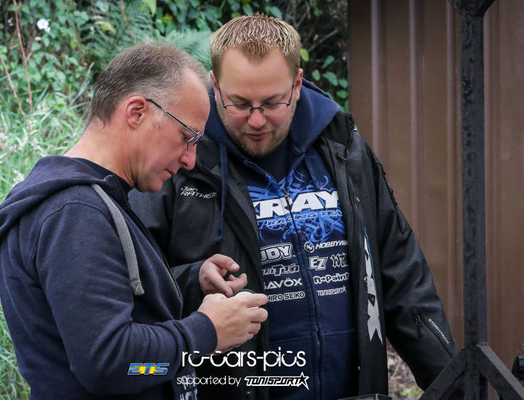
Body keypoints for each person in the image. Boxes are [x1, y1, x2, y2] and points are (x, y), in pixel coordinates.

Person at [129, 15, 458, 400]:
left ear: (297, 84)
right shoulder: (179, 163)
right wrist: (193, 280)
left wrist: (455, 386)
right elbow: (133, 288)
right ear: (214, 86)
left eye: (272, 103)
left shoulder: (343, 148)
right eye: (239, 103)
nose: (256, 120)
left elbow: (402, 276)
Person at [0, 43, 268, 400]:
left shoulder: (97, 201)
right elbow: (112, 367)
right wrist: (205, 333)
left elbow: (113, 315)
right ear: (137, 112)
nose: (190, 160)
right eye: (186, 137)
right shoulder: (74, 213)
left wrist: (192, 283)